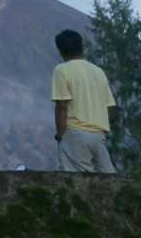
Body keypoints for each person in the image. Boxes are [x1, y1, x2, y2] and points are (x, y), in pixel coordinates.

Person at [51, 29, 117, 173]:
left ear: (60, 51)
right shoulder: (98, 71)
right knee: (108, 179)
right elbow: (109, 108)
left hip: (75, 134)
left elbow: (62, 106)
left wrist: (60, 135)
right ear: (82, 47)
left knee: (77, 183)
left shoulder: (62, 70)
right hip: (99, 135)